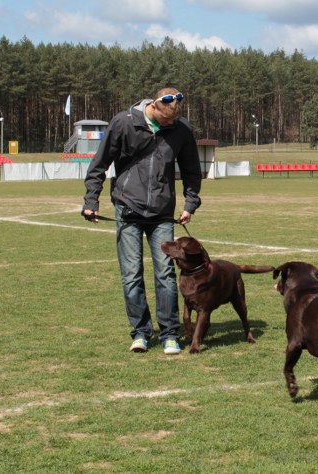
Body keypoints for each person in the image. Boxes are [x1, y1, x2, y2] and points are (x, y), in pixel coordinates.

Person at [82, 87, 202, 355]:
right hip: (128, 208)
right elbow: (99, 163)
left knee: (166, 273)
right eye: (166, 119)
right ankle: (141, 333)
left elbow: (192, 169)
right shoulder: (123, 123)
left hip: (162, 212)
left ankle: (170, 334)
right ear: (154, 107)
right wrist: (91, 200)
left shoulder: (181, 129)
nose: (170, 124)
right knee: (131, 274)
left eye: (174, 120)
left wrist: (190, 203)